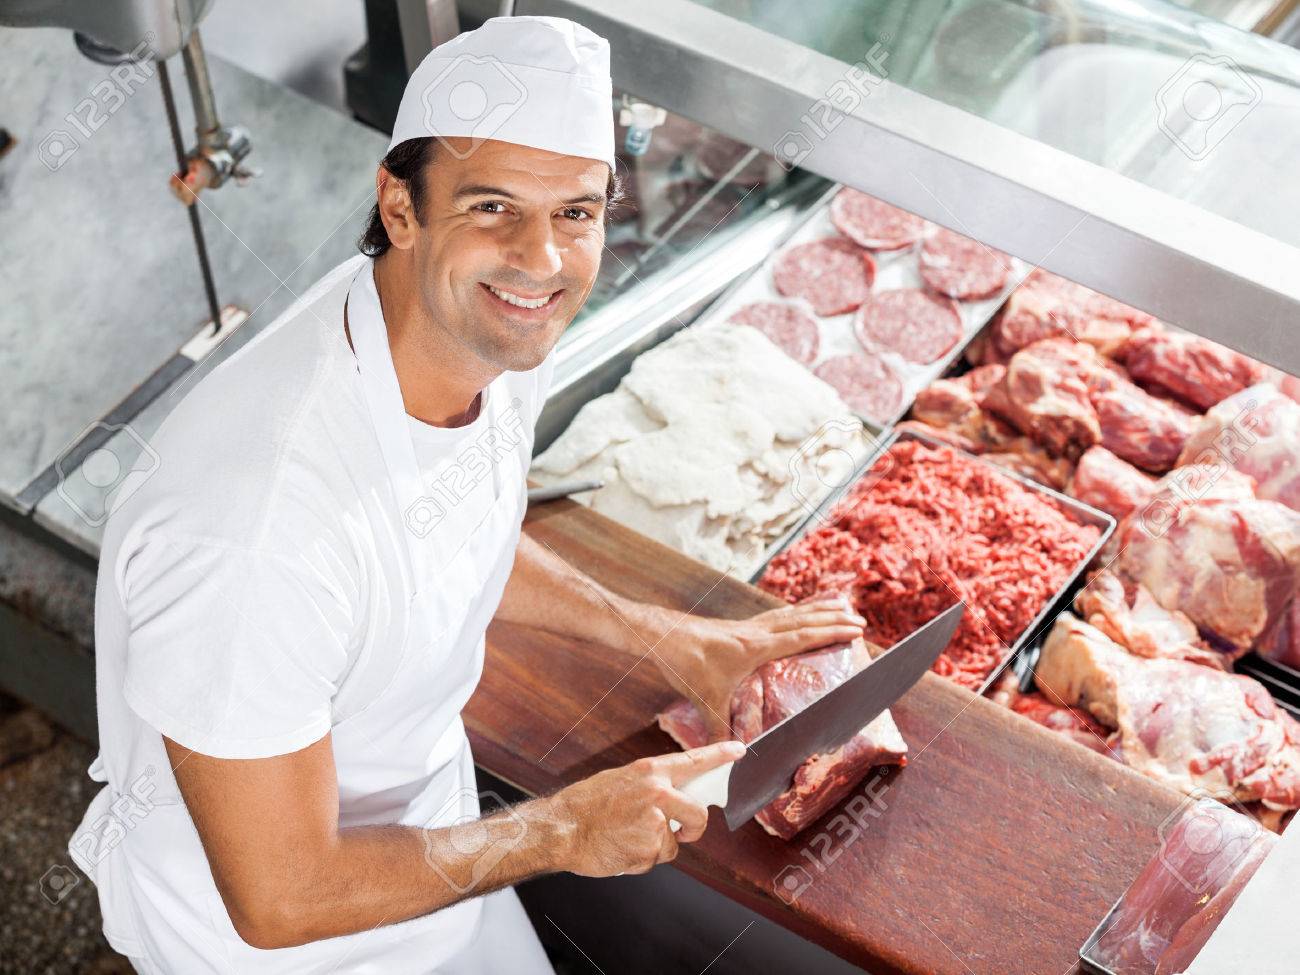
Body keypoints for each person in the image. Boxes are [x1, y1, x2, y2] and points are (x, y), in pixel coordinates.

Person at [70, 15, 866, 973]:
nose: (542, 258)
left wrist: (665, 637)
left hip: (433, 847)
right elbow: (280, 896)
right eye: (493, 207)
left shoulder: (481, 328)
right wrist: (560, 832)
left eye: (576, 212)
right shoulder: (257, 530)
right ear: (400, 206)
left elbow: (446, 531)